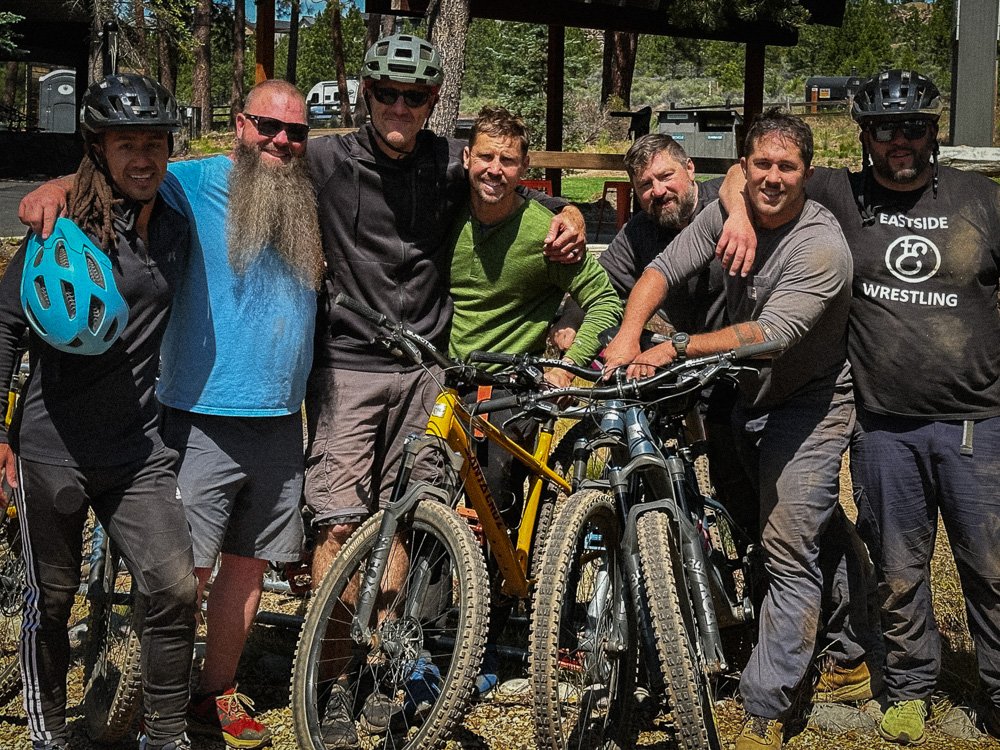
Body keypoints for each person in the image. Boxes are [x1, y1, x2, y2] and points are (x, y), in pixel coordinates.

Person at [17, 79, 323, 750]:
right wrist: (52, 189)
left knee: (208, 576)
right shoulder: (136, 205)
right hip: (114, 431)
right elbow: (10, 318)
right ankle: (66, 727)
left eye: (295, 132)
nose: (280, 140)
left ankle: (187, 717)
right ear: (239, 124)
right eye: (267, 126)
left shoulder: (262, 198)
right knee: (94, 592)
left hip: (208, 432)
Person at [719, 69, 1000, 746]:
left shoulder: (980, 199)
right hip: (881, 426)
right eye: (884, 130)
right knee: (900, 572)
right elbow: (745, 175)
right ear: (866, 136)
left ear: (933, 131)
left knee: (991, 569)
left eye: (913, 128)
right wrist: (734, 214)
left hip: (977, 420)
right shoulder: (840, 193)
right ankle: (908, 691)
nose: (900, 142)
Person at [604, 109, 865, 750]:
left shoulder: (821, 245)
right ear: (741, 168)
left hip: (808, 398)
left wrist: (677, 345)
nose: (773, 178)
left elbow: (770, 336)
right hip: (744, 396)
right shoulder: (726, 210)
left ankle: (765, 706)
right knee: (787, 522)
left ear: (806, 174)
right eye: (761, 165)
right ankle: (851, 644)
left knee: (787, 538)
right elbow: (659, 270)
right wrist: (626, 337)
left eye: (788, 167)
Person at [302, 33, 587, 592]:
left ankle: (384, 664)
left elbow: (511, 191)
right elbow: (234, 167)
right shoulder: (326, 158)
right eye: (387, 92)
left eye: (415, 96)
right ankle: (332, 666)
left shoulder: (448, 163)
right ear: (367, 93)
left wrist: (571, 212)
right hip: (350, 363)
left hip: (428, 370)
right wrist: (75, 179)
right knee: (337, 524)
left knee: (406, 516)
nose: (400, 107)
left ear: (433, 102)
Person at [0, 73, 197, 750]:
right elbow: (5, 324)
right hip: (51, 448)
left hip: (137, 450)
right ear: (97, 149)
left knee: (173, 587)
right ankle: (49, 733)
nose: (142, 157)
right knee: (49, 604)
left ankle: (165, 735)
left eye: (154, 143)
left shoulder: (174, 218)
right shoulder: (62, 230)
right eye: (126, 144)